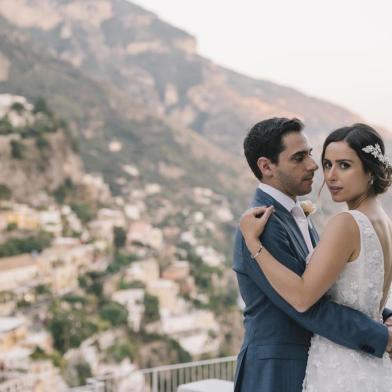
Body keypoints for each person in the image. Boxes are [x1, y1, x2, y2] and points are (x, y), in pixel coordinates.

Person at [233, 118, 392, 392]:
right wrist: (381, 333)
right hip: (276, 372)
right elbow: (307, 304)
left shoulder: (331, 221)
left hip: (339, 365)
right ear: (266, 166)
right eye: (299, 158)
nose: (317, 168)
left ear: (370, 171)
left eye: (309, 154)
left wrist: (382, 314)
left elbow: (334, 285)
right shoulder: (261, 224)